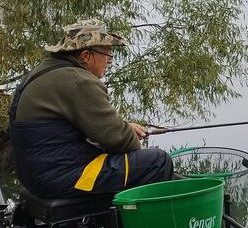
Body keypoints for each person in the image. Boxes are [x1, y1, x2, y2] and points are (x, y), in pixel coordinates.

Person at [9, 20, 173, 199]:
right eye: (107, 53)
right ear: (86, 56)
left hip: (37, 176)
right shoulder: (78, 80)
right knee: (157, 161)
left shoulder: (44, 71)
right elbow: (122, 141)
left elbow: (73, 128)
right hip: (62, 177)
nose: (109, 60)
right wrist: (127, 133)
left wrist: (124, 127)